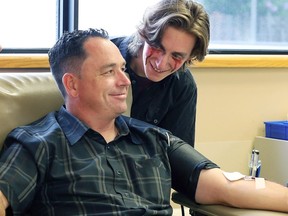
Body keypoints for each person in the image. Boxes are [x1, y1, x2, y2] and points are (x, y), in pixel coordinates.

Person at [0, 28, 288, 216]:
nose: (126, 81)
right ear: (72, 85)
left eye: (123, 69)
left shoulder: (155, 139)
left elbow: (229, 186)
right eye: (109, 71)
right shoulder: (36, 143)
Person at [111, 0, 209, 147]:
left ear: (190, 57)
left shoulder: (182, 85)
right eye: (157, 47)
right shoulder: (105, 57)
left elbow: (177, 151)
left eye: (176, 56)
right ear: (144, 34)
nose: (161, 64)